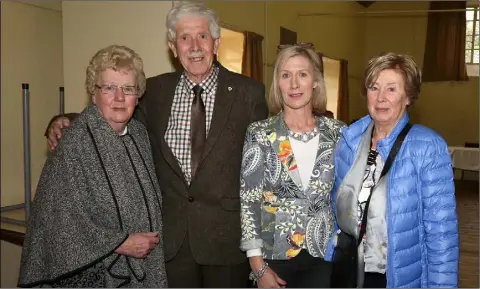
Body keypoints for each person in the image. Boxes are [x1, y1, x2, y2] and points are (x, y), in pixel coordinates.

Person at [44, 2, 269, 288]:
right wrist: (64, 120)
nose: (194, 46)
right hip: (170, 243)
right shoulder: (154, 91)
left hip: (226, 243)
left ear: (216, 42)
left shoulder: (248, 93)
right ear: (173, 47)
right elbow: (116, 113)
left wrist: (261, 250)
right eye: (184, 38)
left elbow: (262, 168)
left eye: (202, 36)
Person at [18, 45, 167, 288]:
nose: (119, 97)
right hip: (94, 277)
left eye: (128, 88)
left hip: (143, 270)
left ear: (137, 95)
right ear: (93, 93)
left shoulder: (139, 134)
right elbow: (56, 222)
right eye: (109, 87)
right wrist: (119, 243)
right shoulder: (73, 143)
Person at [330, 52, 459, 288]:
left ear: (408, 96)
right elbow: (335, 204)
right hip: (349, 271)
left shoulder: (427, 147)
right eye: (374, 88)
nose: (380, 98)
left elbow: (441, 234)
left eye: (391, 89)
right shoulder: (349, 141)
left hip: (397, 276)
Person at [239, 43, 345, 288]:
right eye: (286, 75)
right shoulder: (260, 133)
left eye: (303, 74)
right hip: (274, 257)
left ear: (316, 81)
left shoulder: (338, 133)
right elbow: (249, 202)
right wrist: (257, 267)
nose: (294, 84)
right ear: (278, 83)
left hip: (323, 256)